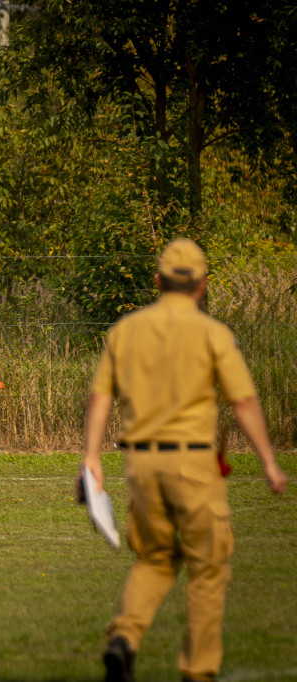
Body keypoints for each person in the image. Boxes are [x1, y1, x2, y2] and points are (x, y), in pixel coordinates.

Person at [81, 238, 288, 682]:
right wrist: (269, 462)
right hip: (193, 464)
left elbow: (100, 396)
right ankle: (198, 671)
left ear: (157, 282)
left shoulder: (125, 330)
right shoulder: (212, 334)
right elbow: (244, 402)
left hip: (139, 464)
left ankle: (125, 638)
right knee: (208, 567)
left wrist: (91, 455)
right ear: (202, 286)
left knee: (155, 558)